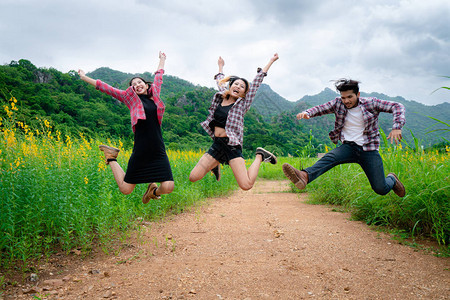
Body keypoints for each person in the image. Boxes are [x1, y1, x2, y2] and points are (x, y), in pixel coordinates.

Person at [78, 52, 174, 204]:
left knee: (168, 186)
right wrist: (84, 78)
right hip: (141, 150)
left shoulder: (154, 96)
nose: (137, 85)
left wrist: (162, 60)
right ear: (132, 90)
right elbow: (106, 88)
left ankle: (152, 191)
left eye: (139, 82)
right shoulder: (129, 99)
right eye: (133, 84)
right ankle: (111, 157)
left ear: (146, 85)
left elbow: (158, 77)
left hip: (158, 149)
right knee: (126, 189)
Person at [283, 79, 406, 197]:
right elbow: (321, 108)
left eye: (349, 97)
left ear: (357, 94)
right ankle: (304, 176)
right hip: (349, 147)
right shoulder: (338, 103)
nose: (346, 101)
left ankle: (392, 179)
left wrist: (397, 127)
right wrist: (308, 112)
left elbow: (397, 106)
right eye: (343, 97)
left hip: (369, 150)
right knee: (330, 158)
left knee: (380, 189)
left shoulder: (371, 103)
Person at [189, 54, 279, 190]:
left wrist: (271, 61)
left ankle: (260, 156)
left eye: (242, 86)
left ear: (244, 93)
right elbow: (220, 80)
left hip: (231, 146)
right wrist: (220, 66)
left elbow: (256, 83)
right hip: (217, 145)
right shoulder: (221, 96)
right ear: (230, 86)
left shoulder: (242, 104)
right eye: (236, 84)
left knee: (246, 185)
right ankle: (215, 164)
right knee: (193, 177)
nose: (238, 86)